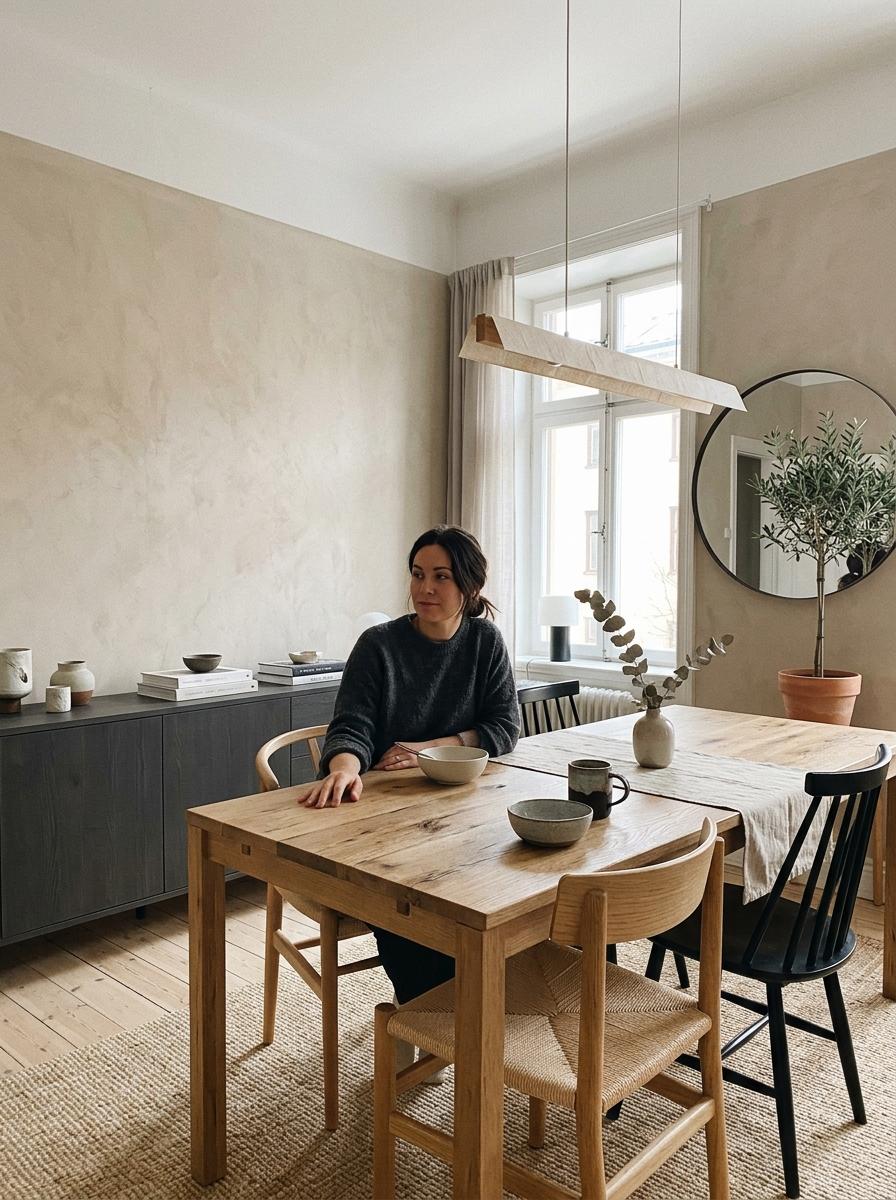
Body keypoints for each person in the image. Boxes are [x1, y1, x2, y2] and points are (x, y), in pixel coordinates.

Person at [299, 525, 520, 1005]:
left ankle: (468, 1001)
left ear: (469, 586)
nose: (425, 588)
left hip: (460, 814)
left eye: (441, 576)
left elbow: (505, 727)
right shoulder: (379, 645)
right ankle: (422, 1008)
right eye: (418, 574)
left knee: (503, 890)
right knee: (410, 900)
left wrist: (433, 747)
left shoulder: (485, 642)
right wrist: (343, 766)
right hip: (381, 819)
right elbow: (351, 724)